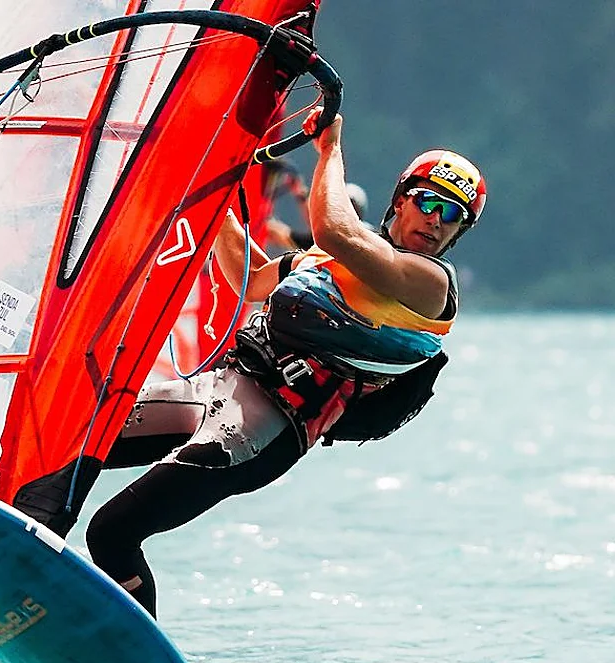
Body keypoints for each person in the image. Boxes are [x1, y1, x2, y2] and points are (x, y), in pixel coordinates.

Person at [86, 108, 487, 618]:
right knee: (76, 442)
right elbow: (249, 280)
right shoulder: (326, 260)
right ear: (401, 201)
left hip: (265, 429)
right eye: (428, 201)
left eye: (452, 215)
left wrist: (329, 149)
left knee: (112, 532)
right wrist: (208, 192)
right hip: (217, 390)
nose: (435, 220)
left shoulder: (430, 285)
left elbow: (335, 230)